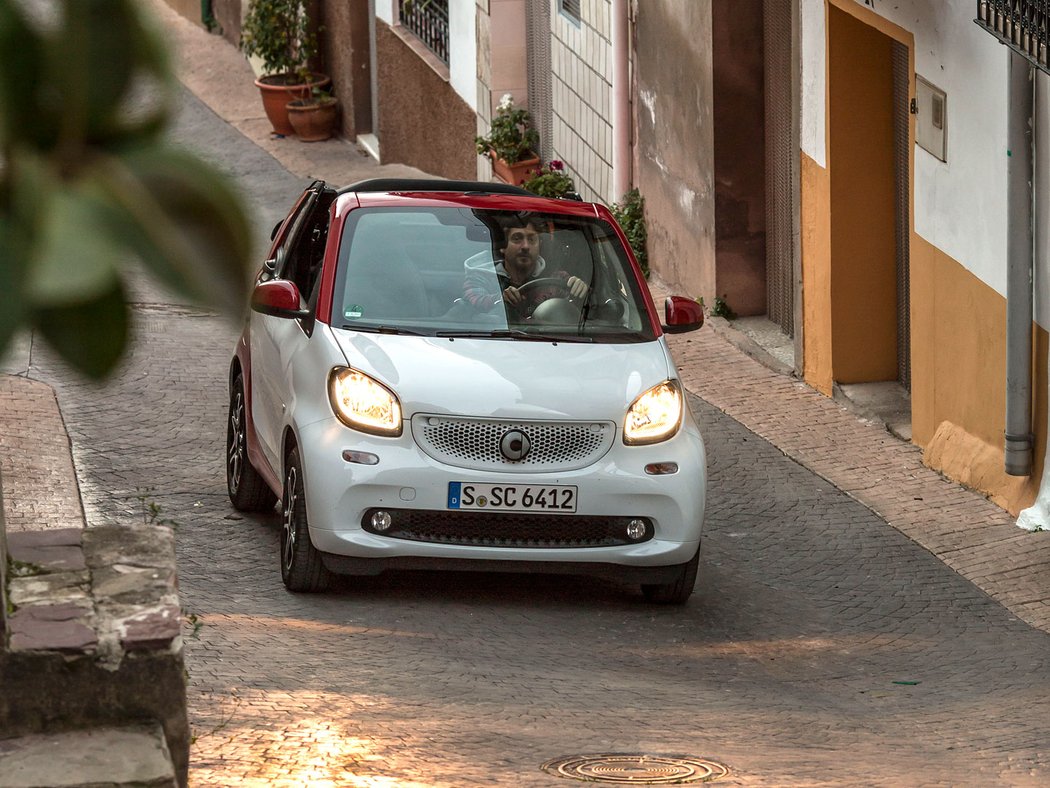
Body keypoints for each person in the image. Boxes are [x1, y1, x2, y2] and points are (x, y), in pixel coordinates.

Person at [463, 214, 589, 319]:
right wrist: (502, 299)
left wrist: (578, 291)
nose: (525, 246)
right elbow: (475, 301)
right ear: (502, 246)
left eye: (532, 239)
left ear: (539, 245)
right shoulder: (481, 277)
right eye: (517, 239)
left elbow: (579, 312)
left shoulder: (558, 279)